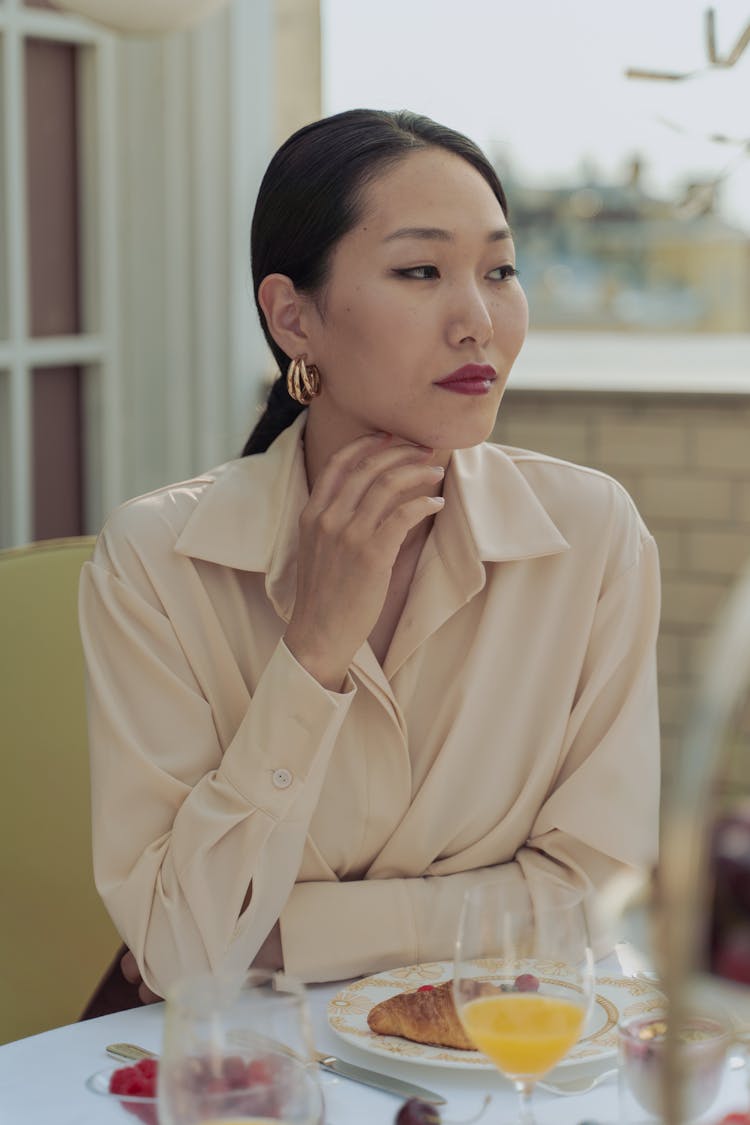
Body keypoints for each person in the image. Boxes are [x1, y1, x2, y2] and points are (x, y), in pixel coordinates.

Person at [79, 108, 660, 1005]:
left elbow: (594, 898)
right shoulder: (155, 562)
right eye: (420, 271)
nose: (479, 322)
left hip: (499, 1067)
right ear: (292, 317)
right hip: (248, 1081)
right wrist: (312, 651)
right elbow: (185, 953)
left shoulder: (592, 536)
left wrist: (290, 931)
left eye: (500, 270)